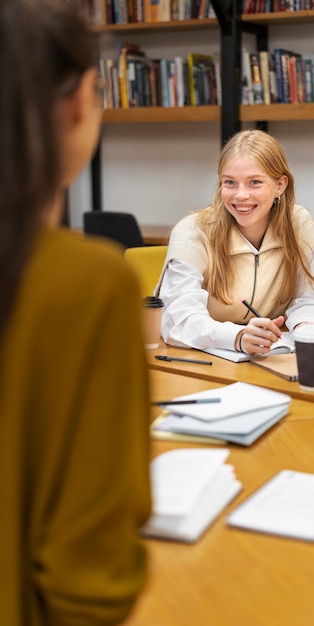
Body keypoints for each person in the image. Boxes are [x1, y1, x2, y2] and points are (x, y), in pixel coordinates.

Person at [0, 1, 151, 624]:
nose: (240, 194)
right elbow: (88, 582)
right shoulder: (86, 285)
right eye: (232, 181)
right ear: (82, 101)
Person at [157, 129, 314, 355]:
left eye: (254, 183)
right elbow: (177, 317)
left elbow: (312, 298)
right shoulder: (193, 232)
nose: (241, 195)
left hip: (272, 356)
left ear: (280, 185)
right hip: (204, 359)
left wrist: (306, 330)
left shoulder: (299, 224)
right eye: (230, 182)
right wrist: (238, 337)